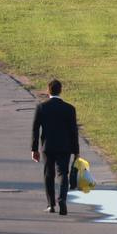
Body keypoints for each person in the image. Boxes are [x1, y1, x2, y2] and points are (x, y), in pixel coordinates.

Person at [31, 79, 80, 215]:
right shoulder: (70, 109)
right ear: (61, 90)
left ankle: (51, 204)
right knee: (63, 173)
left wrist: (34, 149)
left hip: (48, 146)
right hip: (65, 147)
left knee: (49, 174)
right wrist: (76, 151)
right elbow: (73, 131)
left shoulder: (41, 107)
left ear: (48, 91)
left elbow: (35, 129)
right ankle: (62, 199)